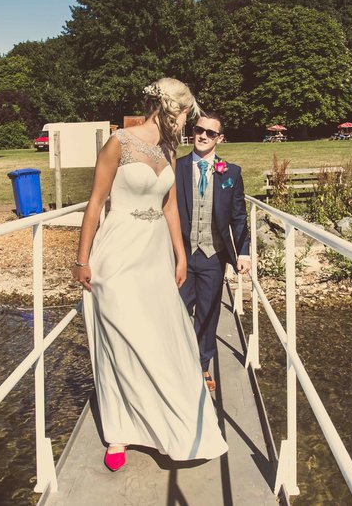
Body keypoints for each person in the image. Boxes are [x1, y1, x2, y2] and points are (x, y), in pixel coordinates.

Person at [72, 78, 228, 473]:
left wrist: (179, 256)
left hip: (155, 254)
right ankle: (120, 430)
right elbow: (95, 203)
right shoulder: (118, 144)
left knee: (160, 337)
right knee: (122, 335)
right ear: (164, 108)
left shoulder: (168, 148)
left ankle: (166, 426)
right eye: (183, 113)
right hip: (118, 252)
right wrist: (81, 258)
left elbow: (171, 207)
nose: (186, 122)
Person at [175, 113, 250, 392]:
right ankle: (179, 364)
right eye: (198, 130)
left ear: (220, 138)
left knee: (208, 313)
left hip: (213, 255)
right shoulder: (175, 167)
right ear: (192, 132)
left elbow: (239, 217)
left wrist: (243, 252)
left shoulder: (231, 173)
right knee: (178, 311)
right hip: (180, 254)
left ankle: (202, 365)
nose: (203, 136)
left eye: (210, 132)